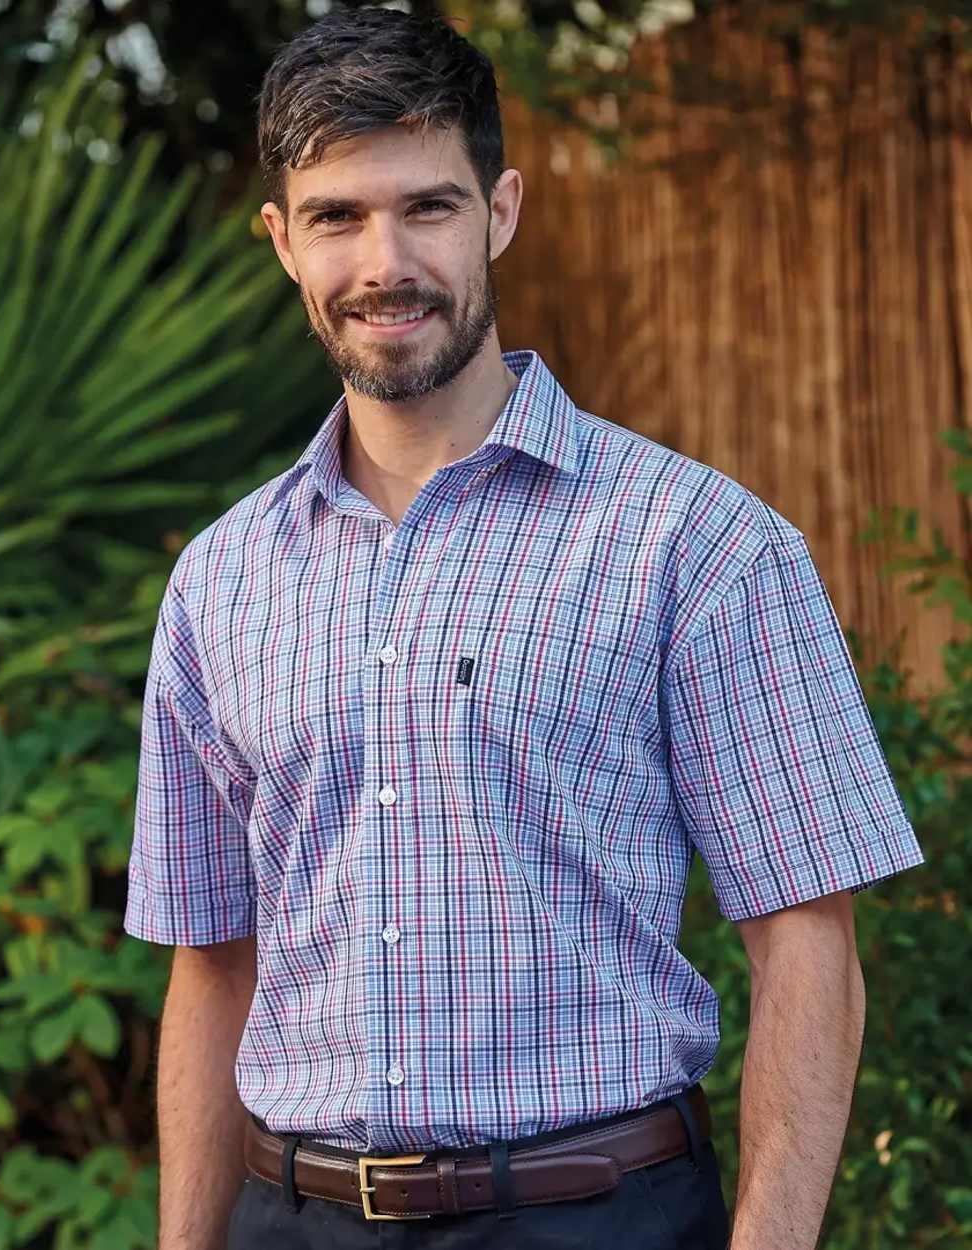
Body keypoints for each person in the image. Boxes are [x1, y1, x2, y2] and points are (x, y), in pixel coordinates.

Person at [122, 9, 926, 1250]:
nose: (384, 260)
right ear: (283, 240)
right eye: (337, 215)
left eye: (426, 207)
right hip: (292, 1218)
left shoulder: (698, 542)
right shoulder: (221, 580)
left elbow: (809, 946)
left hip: (600, 1214)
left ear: (499, 211)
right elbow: (210, 965)